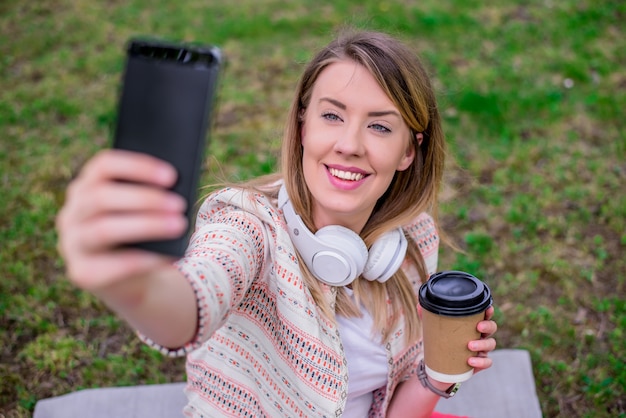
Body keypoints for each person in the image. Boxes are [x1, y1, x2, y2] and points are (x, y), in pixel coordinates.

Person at [56, 30, 497, 418]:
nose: (349, 144)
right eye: (332, 115)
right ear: (303, 125)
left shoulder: (411, 240)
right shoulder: (249, 228)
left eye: (380, 127)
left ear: (408, 152)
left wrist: (439, 375)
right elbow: (191, 302)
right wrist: (136, 286)